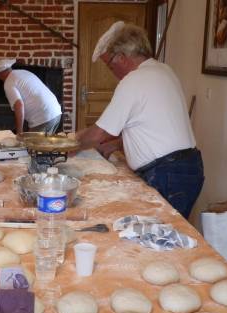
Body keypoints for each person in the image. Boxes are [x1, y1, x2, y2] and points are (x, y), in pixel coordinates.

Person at [76, 22, 204, 219]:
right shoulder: (163, 70)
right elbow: (153, 125)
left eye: (110, 65)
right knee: (161, 235)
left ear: (121, 57)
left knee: (159, 236)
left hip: (168, 173)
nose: (112, 72)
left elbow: (98, 134)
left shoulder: (134, 81)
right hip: (183, 168)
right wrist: (116, 144)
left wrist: (65, 147)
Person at [0, 59, 62, 134]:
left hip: (43, 118)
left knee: (31, 145)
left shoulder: (8, 83)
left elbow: (19, 105)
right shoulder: (23, 72)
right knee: (44, 144)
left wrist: (19, 132)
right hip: (55, 112)